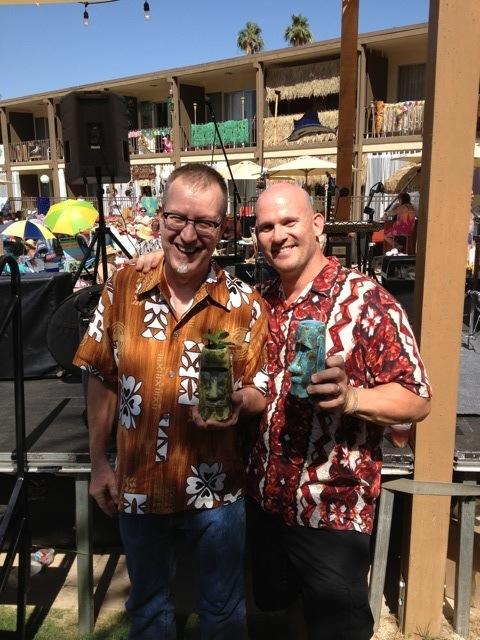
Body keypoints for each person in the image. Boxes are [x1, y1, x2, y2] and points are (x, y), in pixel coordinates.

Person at [134, 182, 431, 640]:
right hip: (265, 501)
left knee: (337, 629)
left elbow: (417, 397)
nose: (278, 236)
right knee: (286, 613)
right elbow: (201, 272)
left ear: (317, 224)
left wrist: (353, 398)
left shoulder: (366, 301)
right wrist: (164, 259)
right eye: (266, 227)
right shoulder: (261, 301)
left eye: (289, 222)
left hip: (331, 508)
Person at [73, 163, 269, 640]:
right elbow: (101, 377)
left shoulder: (246, 305)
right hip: (138, 486)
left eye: (204, 222)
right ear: (159, 218)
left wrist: (239, 403)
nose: (188, 234)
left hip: (216, 495)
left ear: (223, 228)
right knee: (148, 613)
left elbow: (261, 390)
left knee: (223, 615)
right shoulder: (122, 288)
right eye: (177, 218)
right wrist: (98, 463)